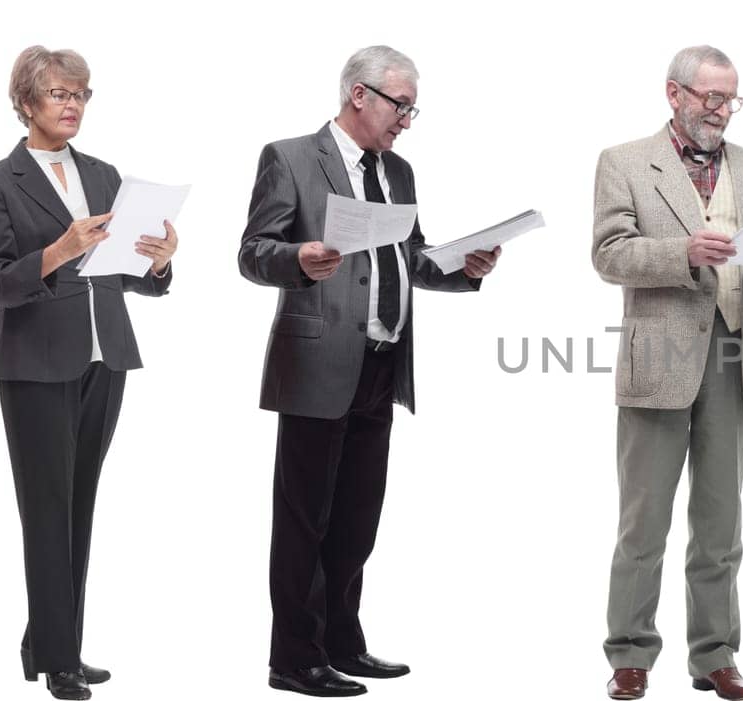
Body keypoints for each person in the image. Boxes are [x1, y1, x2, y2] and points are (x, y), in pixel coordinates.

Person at [237, 45, 501, 698]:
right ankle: (293, 658)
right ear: (360, 95)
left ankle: (342, 643)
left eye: (413, 108)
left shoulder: (399, 171)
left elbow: (409, 257)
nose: (407, 119)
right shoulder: (291, 157)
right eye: (400, 105)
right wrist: (299, 257)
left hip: (383, 363)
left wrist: (462, 268)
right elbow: (252, 252)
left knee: (357, 515)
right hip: (316, 361)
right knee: (304, 518)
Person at [0, 45, 178, 701]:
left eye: (81, 94)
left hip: (103, 356)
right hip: (35, 364)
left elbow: (126, 273)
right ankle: (58, 658)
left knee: (78, 504)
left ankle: (57, 642)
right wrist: (59, 250)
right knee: (47, 508)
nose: (72, 105)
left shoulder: (106, 173)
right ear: (26, 102)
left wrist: (161, 261)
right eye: (59, 93)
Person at [592, 45, 743, 701]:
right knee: (644, 522)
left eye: (730, 97)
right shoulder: (624, 162)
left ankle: (715, 654)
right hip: (660, 357)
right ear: (674, 94)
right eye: (710, 96)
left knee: (720, 523)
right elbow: (609, 253)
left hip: (736, 355)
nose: (721, 109)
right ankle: (629, 654)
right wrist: (683, 251)